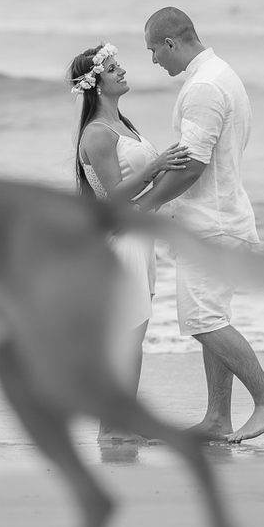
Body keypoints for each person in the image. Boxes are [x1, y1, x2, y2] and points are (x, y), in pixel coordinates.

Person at [135, 7, 264, 443]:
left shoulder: (203, 88)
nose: (152, 61)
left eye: (153, 51)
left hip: (211, 225)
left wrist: (144, 206)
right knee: (212, 315)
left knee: (202, 320)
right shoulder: (222, 74)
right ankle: (217, 418)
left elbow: (192, 167)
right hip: (224, 216)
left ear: (170, 43)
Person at [67, 42, 190, 443]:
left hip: (140, 238)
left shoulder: (124, 124)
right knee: (128, 335)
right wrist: (156, 165)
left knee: (134, 337)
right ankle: (112, 426)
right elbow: (113, 197)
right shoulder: (98, 134)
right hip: (120, 242)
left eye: (119, 65)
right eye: (113, 68)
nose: (122, 71)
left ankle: (118, 424)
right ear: (96, 83)